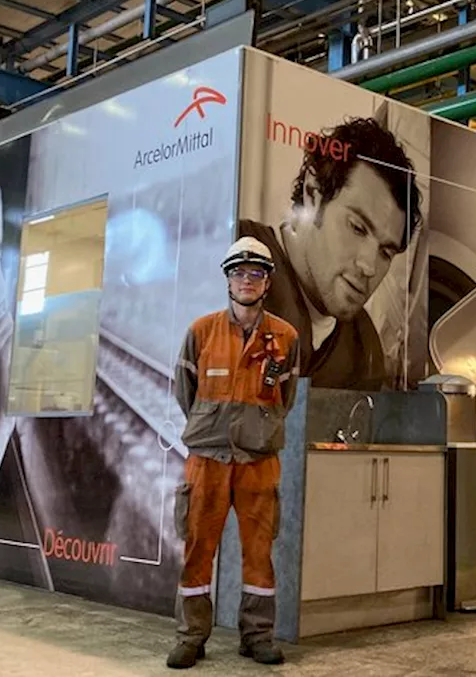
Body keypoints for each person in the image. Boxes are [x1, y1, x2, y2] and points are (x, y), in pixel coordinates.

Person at [168, 236, 301, 669]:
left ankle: (256, 636)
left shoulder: (285, 337)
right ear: (228, 279)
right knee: (197, 548)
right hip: (206, 460)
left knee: (260, 552)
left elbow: (286, 397)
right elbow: (184, 392)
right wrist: (214, 427)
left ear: (267, 282)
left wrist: (254, 431)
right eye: (239, 273)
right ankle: (192, 636)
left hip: (259, 461)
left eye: (256, 274)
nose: (247, 281)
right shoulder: (201, 332)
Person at [239, 116, 422, 391]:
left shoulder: (364, 349)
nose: (369, 266)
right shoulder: (235, 257)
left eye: (386, 252)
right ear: (313, 193)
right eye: (358, 228)